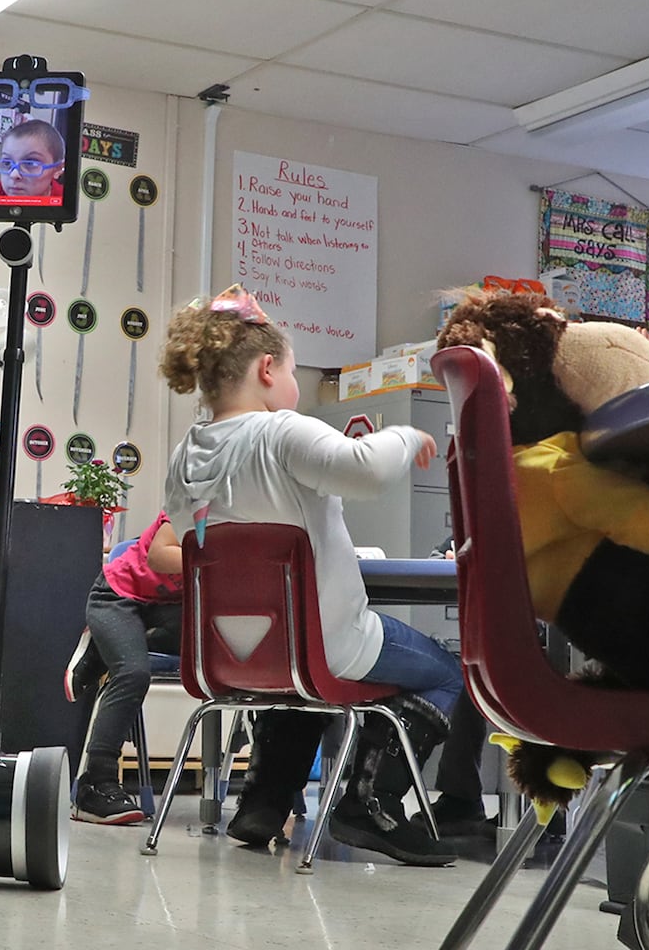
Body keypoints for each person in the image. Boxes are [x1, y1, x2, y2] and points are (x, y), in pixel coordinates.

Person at [159, 285, 463, 867]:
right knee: (448, 674)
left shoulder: (186, 453)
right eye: (295, 371)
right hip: (325, 643)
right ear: (268, 369)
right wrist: (405, 436)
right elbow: (366, 471)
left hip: (231, 652)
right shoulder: (280, 431)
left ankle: (264, 802)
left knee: (298, 684)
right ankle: (368, 804)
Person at [65, 512, 182, 825]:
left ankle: (107, 647)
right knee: (133, 672)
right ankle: (94, 787)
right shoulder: (197, 503)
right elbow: (159, 556)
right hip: (116, 597)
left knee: (220, 646)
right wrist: (226, 558)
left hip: (170, 609)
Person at [0, 119, 66, 199]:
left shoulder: (70, 202)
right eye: (7, 163)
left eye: (31, 164)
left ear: (57, 169)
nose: (14, 175)